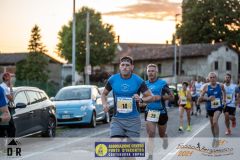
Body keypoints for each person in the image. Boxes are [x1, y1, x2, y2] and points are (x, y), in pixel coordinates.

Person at [101, 56, 153, 139]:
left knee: (130, 150)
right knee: (115, 148)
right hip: (117, 120)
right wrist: (104, 104)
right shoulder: (113, 79)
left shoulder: (138, 80)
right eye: (122, 65)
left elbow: (150, 97)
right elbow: (103, 94)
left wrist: (141, 99)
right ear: (119, 66)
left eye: (127, 65)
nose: (124, 67)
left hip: (133, 120)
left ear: (132, 67)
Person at [144, 64, 173, 160]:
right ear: (147, 72)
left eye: (153, 71)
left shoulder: (162, 83)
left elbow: (171, 96)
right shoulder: (144, 84)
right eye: (149, 71)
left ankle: (165, 138)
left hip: (161, 112)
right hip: (150, 111)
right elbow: (141, 98)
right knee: (151, 133)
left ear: (156, 72)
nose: (151, 73)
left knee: (161, 134)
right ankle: (150, 155)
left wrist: (160, 97)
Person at [198, 72, 226, 147]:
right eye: (211, 77)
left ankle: (217, 139)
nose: (212, 79)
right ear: (209, 79)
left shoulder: (220, 86)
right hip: (210, 108)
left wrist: (224, 100)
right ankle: (214, 138)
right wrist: (208, 98)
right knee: (212, 125)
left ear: (216, 78)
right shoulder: (206, 87)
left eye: (214, 77)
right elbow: (200, 98)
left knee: (214, 121)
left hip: (218, 107)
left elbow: (224, 92)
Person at [0, 72, 15, 137]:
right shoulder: (5, 88)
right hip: (4, 107)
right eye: (10, 79)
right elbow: (12, 99)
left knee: (3, 128)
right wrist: (11, 88)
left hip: (3, 107)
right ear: (8, 80)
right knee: (12, 128)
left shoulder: (1, 86)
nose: (11, 80)